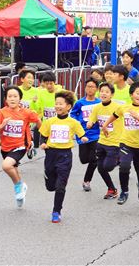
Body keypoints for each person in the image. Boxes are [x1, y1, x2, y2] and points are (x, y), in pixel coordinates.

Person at [101, 82, 139, 205]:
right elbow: (114, 115)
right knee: (124, 166)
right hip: (125, 143)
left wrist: (138, 117)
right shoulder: (124, 107)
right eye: (137, 93)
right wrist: (105, 125)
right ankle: (124, 192)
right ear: (131, 94)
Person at [39, 91, 88, 223]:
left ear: (68, 106)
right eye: (56, 104)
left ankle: (56, 211)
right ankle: (48, 178)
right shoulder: (50, 121)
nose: (58, 106)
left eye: (61, 104)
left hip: (65, 155)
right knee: (51, 186)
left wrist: (83, 138)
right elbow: (43, 135)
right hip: (51, 154)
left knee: (61, 186)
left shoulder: (73, 122)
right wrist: (43, 143)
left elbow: (81, 133)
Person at [0, 86, 41, 207]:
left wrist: (41, 132)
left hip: (21, 146)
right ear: (5, 99)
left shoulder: (26, 112)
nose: (12, 99)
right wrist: (2, 125)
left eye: (15, 96)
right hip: (5, 147)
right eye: (10, 96)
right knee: (13, 169)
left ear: (20, 98)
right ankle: (21, 190)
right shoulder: (1, 113)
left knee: (6, 166)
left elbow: (37, 120)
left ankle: (18, 186)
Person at [88, 82, 122, 199]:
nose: (103, 93)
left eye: (107, 92)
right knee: (101, 168)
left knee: (108, 166)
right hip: (102, 141)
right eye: (102, 91)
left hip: (115, 142)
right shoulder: (97, 107)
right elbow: (92, 119)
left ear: (112, 94)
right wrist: (90, 123)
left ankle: (120, 158)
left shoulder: (117, 107)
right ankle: (112, 189)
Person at [70, 79, 101, 192]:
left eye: (92, 87)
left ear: (96, 89)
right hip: (82, 134)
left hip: (96, 134)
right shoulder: (79, 102)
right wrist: (77, 122)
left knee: (94, 159)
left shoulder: (99, 102)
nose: (90, 89)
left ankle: (87, 181)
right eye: (88, 86)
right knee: (83, 159)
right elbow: (72, 114)